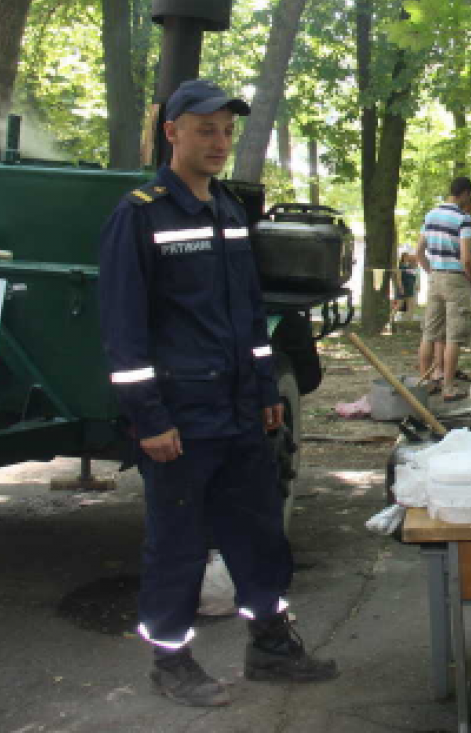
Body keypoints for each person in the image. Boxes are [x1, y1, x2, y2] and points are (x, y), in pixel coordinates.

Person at [98, 79, 337, 708]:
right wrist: (148, 418)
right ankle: (171, 662)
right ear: (172, 131)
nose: (219, 141)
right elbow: (124, 333)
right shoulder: (142, 213)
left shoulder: (229, 210)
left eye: (227, 131)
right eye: (205, 129)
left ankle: (270, 645)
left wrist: (266, 391)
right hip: (180, 417)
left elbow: (249, 320)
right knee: (177, 544)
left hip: (239, 412)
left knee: (259, 534)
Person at [416, 178, 471, 401]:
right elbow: (466, 257)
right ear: (465, 193)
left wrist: (431, 271)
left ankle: (425, 381)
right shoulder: (463, 219)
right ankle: (448, 387)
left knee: (429, 332)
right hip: (456, 279)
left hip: (435, 278)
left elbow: (419, 251)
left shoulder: (430, 216)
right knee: (453, 336)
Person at [389, 250, 417, 334]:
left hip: (410, 289)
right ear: (403, 258)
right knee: (399, 305)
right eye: (407, 256)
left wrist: (415, 286)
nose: (408, 258)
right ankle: (390, 319)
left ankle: (408, 324)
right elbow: (399, 279)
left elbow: (413, 277)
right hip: (403, 289)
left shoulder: (410, 268)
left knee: (410, 307)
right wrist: (401, 288)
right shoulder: (400, 267)